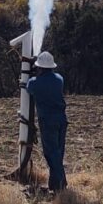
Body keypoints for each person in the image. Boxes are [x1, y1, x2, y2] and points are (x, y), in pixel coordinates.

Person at [25, 51, 68, 193]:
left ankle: (61, 185)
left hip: (48, 121)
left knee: (51, 154)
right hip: (61, 120)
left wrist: (32, 73)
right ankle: (55, 185)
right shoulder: (59, 79)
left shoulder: (35, 83)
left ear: (40, 67)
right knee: (58, 152)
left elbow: (29, 88)